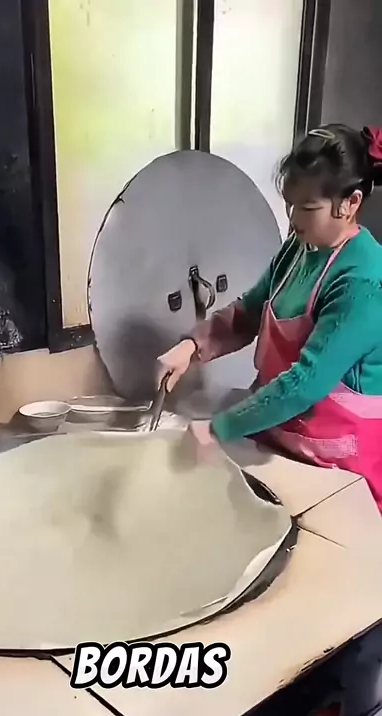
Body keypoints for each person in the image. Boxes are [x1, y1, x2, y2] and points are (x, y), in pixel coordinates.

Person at [157, 124, 382, 511]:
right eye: (290, 204)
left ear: (349, 202)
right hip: (279, 438)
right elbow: (247, 312)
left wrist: (219, 428)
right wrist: (190, 346)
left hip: (338, 467)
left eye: (307, 207)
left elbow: (304, 384)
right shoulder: (299, 248)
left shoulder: (363, 281)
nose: (293, 218)